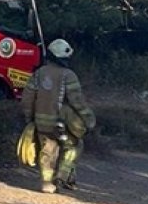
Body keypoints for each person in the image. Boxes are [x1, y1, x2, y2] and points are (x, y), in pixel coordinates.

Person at [21, 39, 96, 194]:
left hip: (41, 123)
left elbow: (27, 98)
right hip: (62, 124)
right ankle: (62, 176)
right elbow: (77, 101)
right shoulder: (68, 75)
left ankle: (46, 183)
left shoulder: (39, 74)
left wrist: (29, 119)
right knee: (73, 147)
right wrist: (89, 120)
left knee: (47, 150)